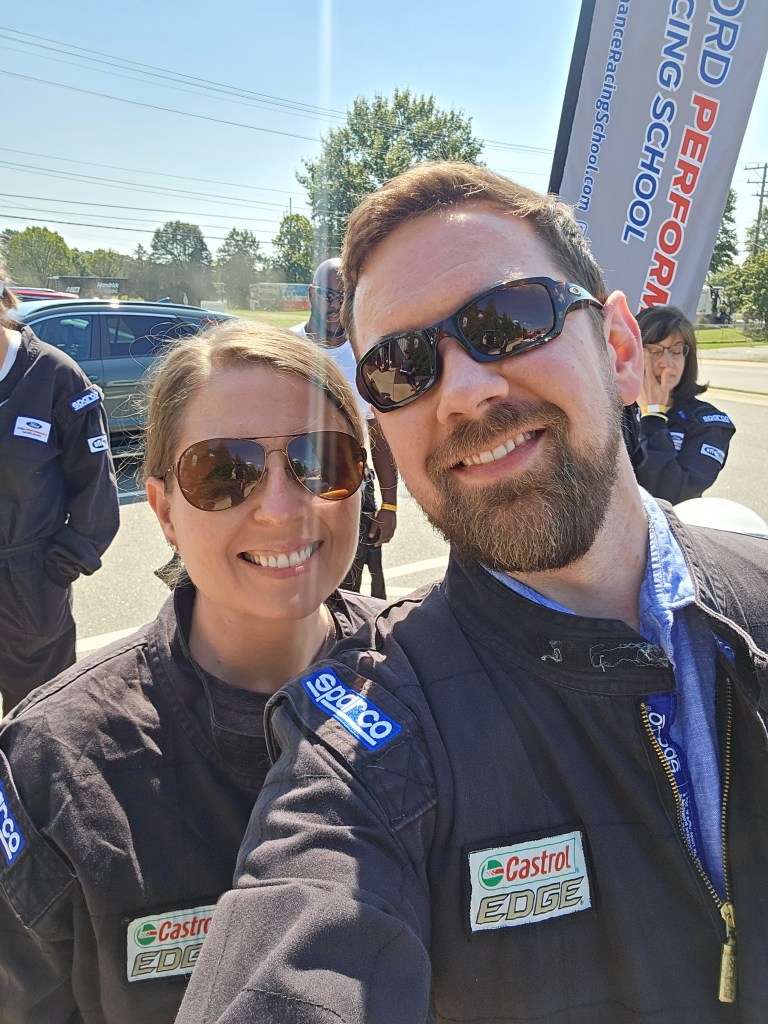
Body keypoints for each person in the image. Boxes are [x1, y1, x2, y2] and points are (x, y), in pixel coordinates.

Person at [177, 163, 768, 1024]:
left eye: (510, 319)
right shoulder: (367, 740)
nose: (462, 392)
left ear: (622, 351)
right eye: (399, 367)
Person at [0, 319, 383, 1023]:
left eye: (322, 462)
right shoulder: (52, 764)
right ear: (163, 511)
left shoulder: (441, 676)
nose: (280, 506)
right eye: (224, 471)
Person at [0, 267, 119, 715]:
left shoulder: (53, 376)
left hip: (28, 590)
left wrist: (56, 570)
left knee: (35, 725)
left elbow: (96, 492)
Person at [293, 257, 398, 597]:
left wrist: (390, 505)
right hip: (291, 486)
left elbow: (380, 437)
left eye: (346, 297)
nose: (337, 306)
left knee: (346, 587)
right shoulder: (285, 349)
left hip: (346, 489)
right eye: (328, 295)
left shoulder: (363, 357)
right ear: (311, 294)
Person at [633, 304, 735, 503]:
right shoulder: (614, 408)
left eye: (676, 351)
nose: (667, 362)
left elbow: (670, 497)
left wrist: (653, 415)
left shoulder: (709, 423)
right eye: (654, 351)